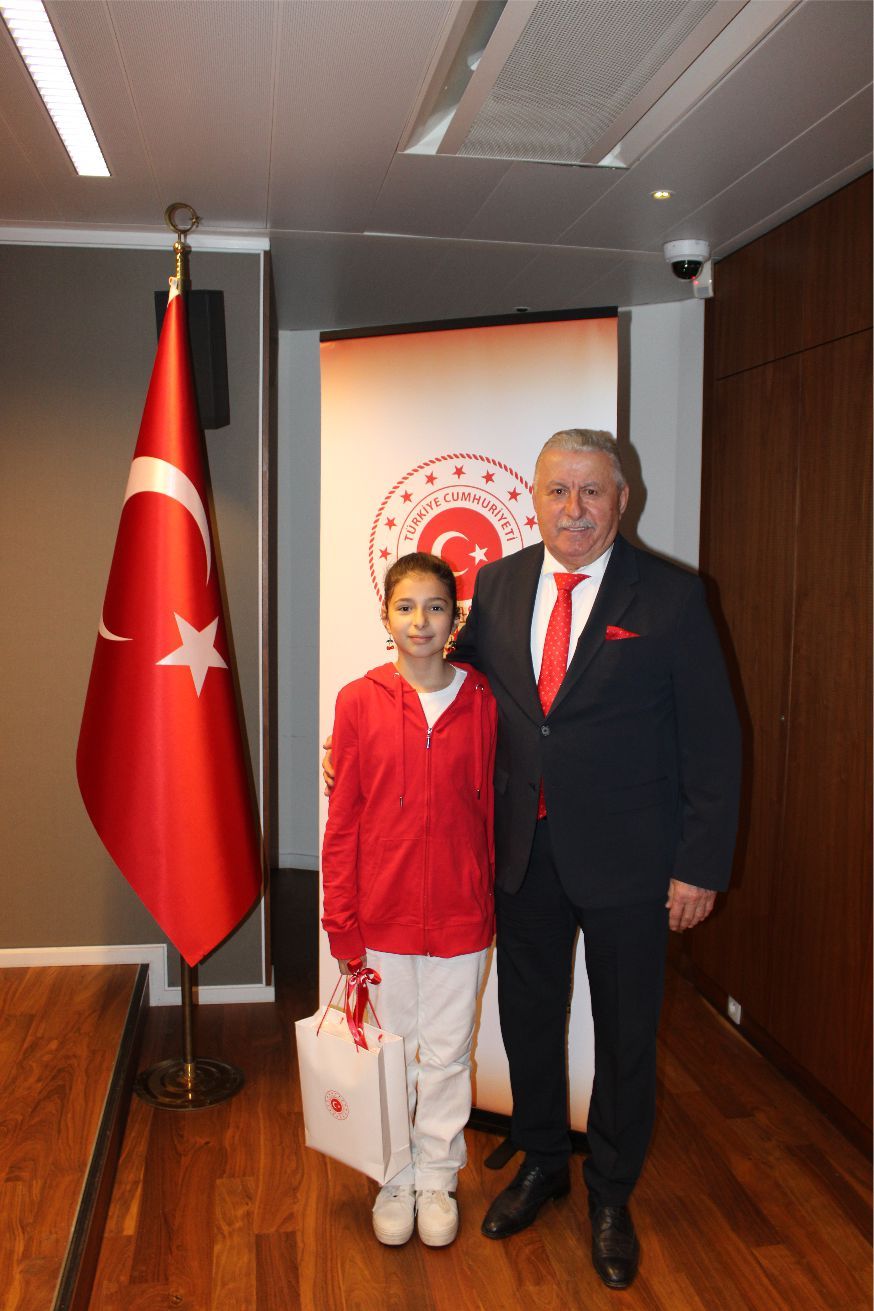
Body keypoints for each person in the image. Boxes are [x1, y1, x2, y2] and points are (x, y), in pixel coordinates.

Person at [448, 429, 741, 1290]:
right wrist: (372, 727)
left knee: (624, 1035)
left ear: (623, 499)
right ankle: (543, 1157)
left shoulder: (674, 597)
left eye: (591, 491)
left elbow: (714, 741)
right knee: (529, 1020)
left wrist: (700, 864)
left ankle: (611, 1192)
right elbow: (456, 685)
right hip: (523, 852)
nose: (573, 509)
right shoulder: (497, 583)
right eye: (557, 491)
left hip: (633, 862)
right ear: (533, 497)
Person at [321, 550, 497, 1250]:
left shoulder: (484, 701)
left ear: (455, 618)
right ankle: (394, 1174)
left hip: (462, 915)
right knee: (390, 1052)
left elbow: (498, 805)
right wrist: (341, 921)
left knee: (448, 1054)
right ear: (385, 615)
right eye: (405, 606)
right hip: (382, 918)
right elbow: (343, 823)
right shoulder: (357, 701)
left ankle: (437, 1175)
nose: (420, 621)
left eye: (435, 607)